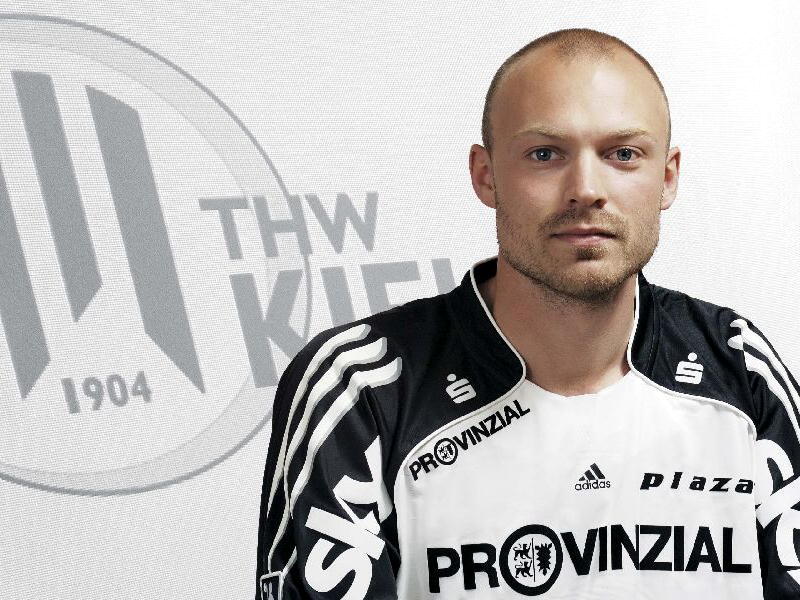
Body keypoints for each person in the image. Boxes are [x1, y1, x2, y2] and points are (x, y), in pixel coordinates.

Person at [254, 27, 800, 599]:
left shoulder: (739, 367)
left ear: (667, 177)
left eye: (623, 154)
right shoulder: (363, 387)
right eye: (545, 154)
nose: (586, 189)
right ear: (485, 175)